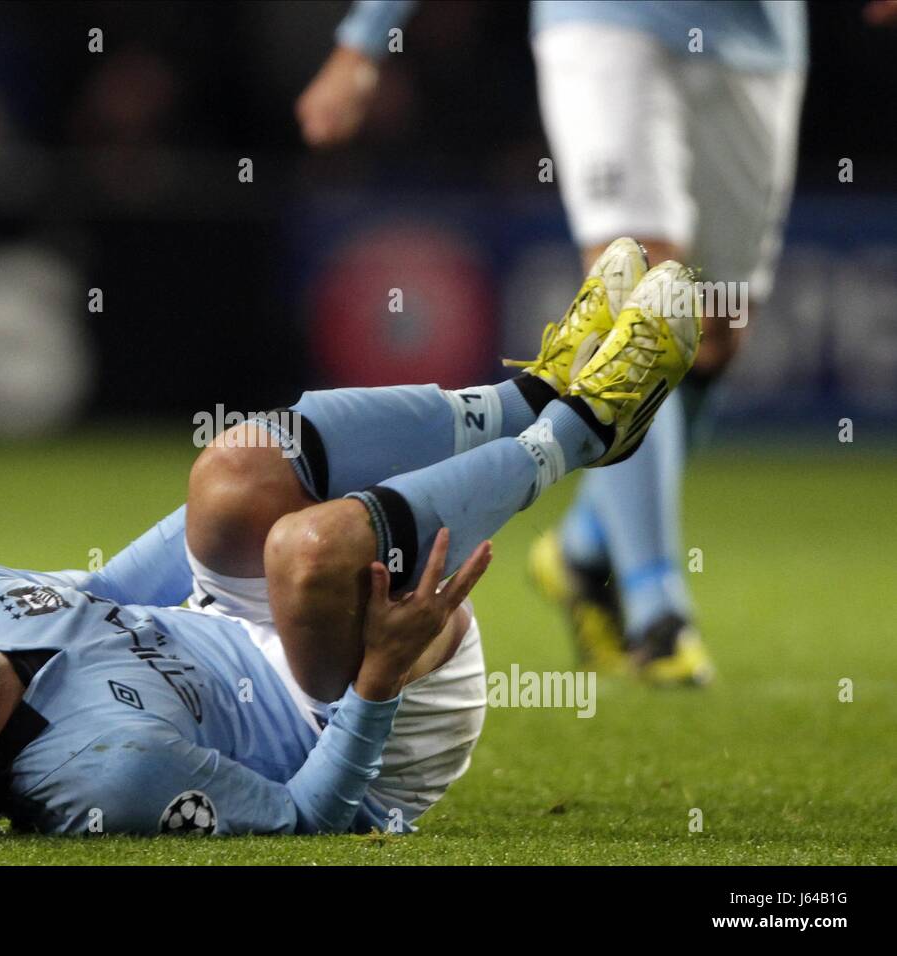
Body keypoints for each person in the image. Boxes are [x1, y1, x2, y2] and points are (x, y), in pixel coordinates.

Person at [0, 242, 699, 836]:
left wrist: (219, 512)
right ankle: (586, 426)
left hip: (244, 622)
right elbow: (316, 819)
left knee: (224, 477)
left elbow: (105, 589)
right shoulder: (102, 775)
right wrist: (377, 684)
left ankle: (524, 395)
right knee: (300, 550)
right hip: (369, 715)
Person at [295, 0, 843, 684]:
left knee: (714, 333)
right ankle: (656, 610)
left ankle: (585, 552)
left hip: (758, 40)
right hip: (605, 21)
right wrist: (364, 40)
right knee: (644, 284)